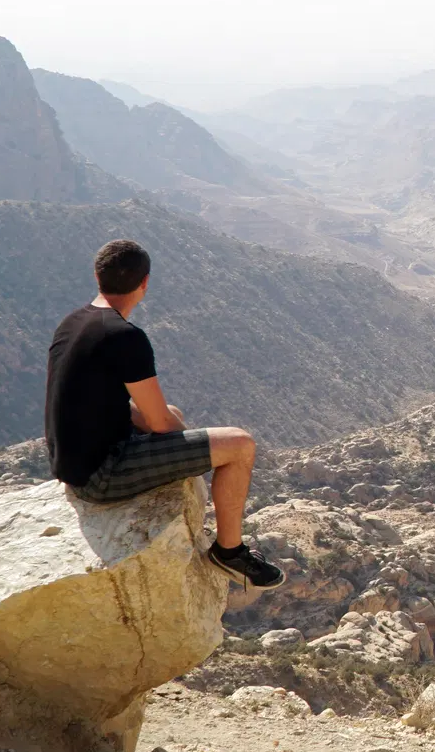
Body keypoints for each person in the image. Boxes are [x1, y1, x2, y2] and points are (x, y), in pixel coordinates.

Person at [44, 239, 284, 589]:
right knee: (239, 445)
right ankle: (229, 551)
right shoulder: (125, 337)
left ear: (97, 276)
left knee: (173, 412)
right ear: (144, 283)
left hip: (71, 463)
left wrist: (183, 443)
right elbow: (159, 423)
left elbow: (94, 399)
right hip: (101, 475)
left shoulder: (73, 322)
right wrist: (194, 455)